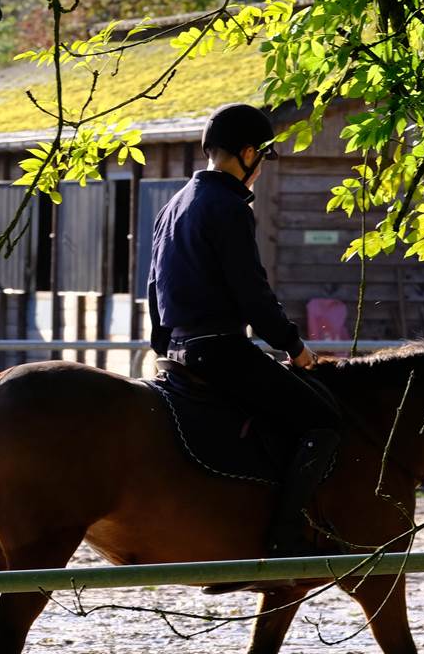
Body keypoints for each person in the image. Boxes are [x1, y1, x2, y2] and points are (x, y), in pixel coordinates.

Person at [146, 103, 340, 556]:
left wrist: (163, 348)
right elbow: (252, 293)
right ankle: (285, 538)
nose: (259, 173)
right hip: (220, 350)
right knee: (323, 419)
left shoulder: (174, 205)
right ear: (249, 153)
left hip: (177, 351)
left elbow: (154, 286)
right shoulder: (229, 207)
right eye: (262, 161)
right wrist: (294, 347)